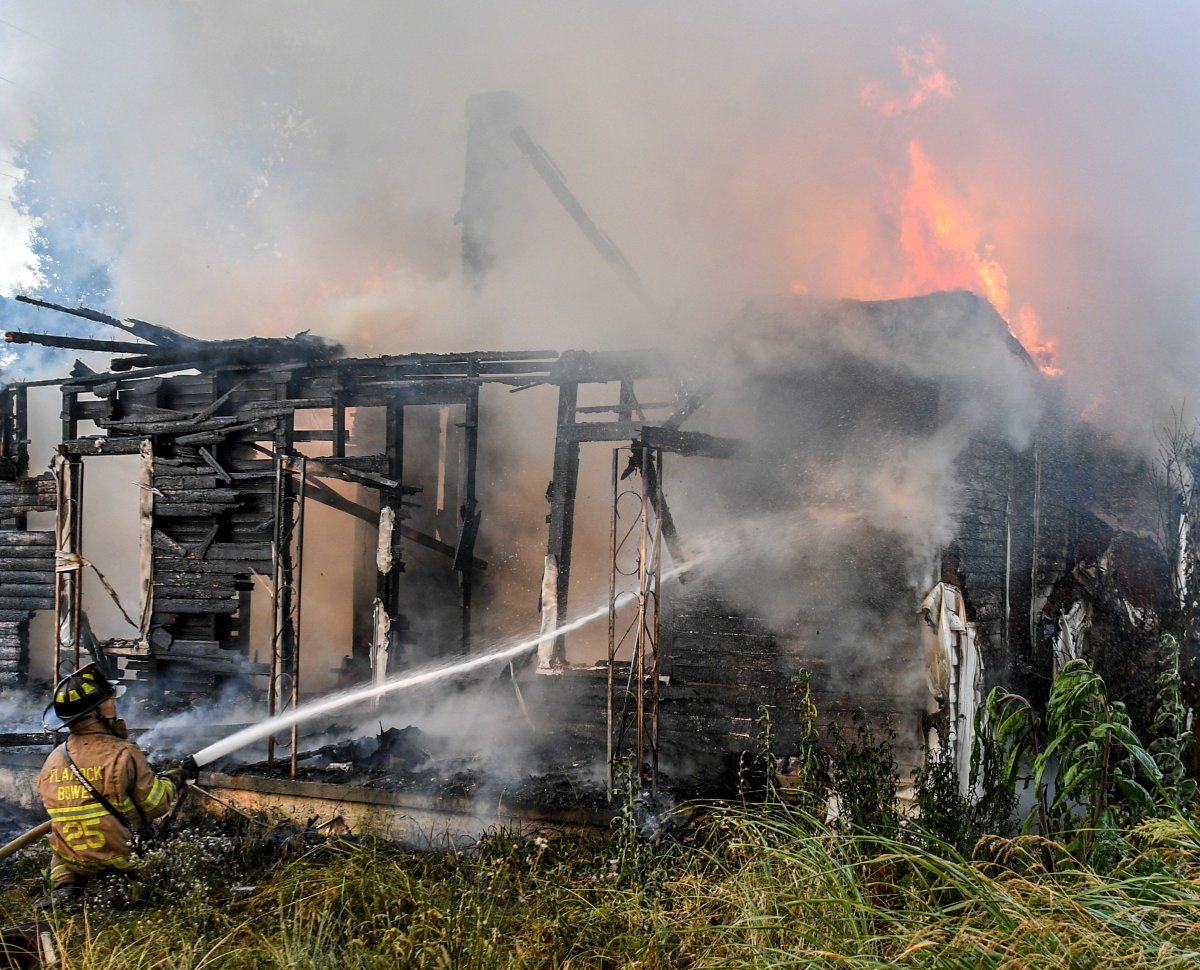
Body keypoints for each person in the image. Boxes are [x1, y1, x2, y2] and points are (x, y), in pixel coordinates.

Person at [35, 663, 199, 908]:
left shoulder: (54, 759)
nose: (114, 704)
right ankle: (120, 889)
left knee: (60, 838)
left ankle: (65, 886)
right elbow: (155, 805)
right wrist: (174, 776)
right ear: (94, 714)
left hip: (74, 860)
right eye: (108, 701)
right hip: (117, 858)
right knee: (147, 871)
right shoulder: (124, 753)